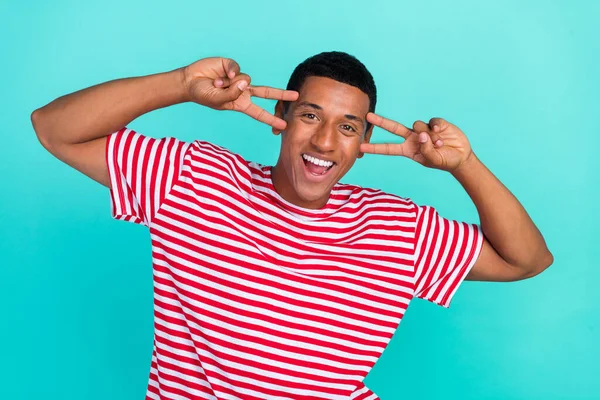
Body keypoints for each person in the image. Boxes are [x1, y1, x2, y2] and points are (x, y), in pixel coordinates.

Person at [31, 52, 553, 400]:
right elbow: (54, 129)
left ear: (363, 144)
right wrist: (180, 86)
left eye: (348, 127)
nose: (326, 142)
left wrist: (464, 164)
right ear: (280, 116)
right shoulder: (195, 178)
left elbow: (526, 259)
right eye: (310, 116)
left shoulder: (397, 226)